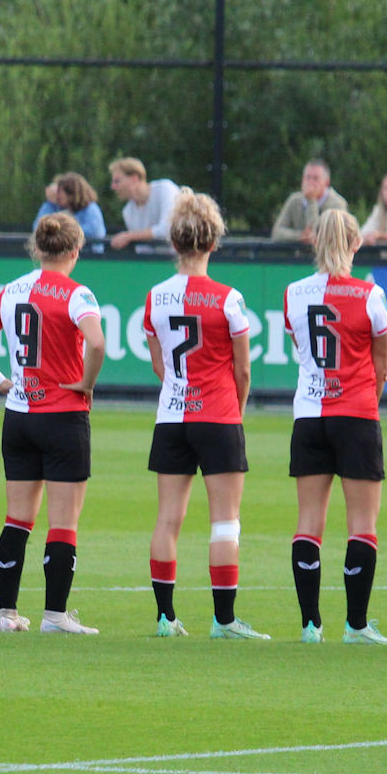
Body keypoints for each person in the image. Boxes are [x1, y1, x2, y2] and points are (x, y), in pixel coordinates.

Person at [0, 212, 107, 635]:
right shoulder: (78, 294)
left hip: (20, 416)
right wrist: (87, 382)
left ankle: (7, 614)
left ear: (38, 249)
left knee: (17, 519)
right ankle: (55, 616)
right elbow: (96, 342)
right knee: (63, 522)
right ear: (75, 251)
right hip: (63, 415)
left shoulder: (13, 290)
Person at [141, 189, 266, 639]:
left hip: (172, 416)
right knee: (225, 519)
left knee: (167, 519)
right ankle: (224, 620)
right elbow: (244, 369)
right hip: (218, 415)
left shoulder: (155, 298)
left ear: (174, 244)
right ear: (213, 243)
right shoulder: (229, 299)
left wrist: (179, 388)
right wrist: (236, 409)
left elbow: (158, 364)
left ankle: (164, 617)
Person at [283, 208, 387, 644]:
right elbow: (382, 361)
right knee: (362, 524)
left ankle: (311, 624)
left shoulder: (294, 293)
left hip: (309, 415)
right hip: (356, 414)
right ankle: (356, 625)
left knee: (308, 522)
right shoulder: (370, 294)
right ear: (356, 243)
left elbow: (300, 343)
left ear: (314, 242)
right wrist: (368, 401)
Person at [107, 157, 182, 250]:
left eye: (117, 181)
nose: (113, 186)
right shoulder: (128, 211)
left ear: (134, 179)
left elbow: (167, 229)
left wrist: (128, 236)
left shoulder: (166, 189)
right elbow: (143, 248)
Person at [271, 159, 348, 243]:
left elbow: (317, 236)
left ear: (326, 182)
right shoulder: (294, 200)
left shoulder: (337, 205)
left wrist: (311, 201)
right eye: (307, 178)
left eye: (316, 178)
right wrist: (300, 236)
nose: (310, 182)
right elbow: (277, 232)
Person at [34, 172, 106, 245]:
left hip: (89, 254)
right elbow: (38, 228)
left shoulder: (90, 209)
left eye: (60, 191)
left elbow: (94, 232)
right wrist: (51, 203)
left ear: (71, 194)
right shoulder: (52, 206)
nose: (57, 194)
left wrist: (62, 230)